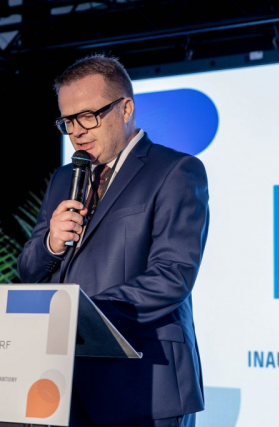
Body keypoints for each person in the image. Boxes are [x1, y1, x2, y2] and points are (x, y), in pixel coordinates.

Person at [17, 54, 209, 427]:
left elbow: (173, 275)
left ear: (126, 109)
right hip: (66, 383)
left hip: (143, 382)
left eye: (89, 115)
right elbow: (28, 269)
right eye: (68, 121)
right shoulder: (64, 178)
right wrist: (51, 243)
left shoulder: (175, 171)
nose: (77, 131)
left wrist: (84, 314)